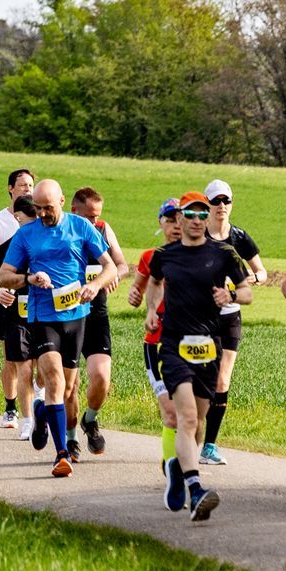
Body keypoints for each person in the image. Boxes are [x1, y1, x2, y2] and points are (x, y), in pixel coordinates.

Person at [0, 180, 118, 478]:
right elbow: (2, 277)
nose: (42, 214)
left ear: (62, 201)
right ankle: (61, 454)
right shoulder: (26, 234)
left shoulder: (81, 227)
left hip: (76, 316)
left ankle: (40, 412)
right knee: (52, 380)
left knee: (66, 389)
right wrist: (28, 278)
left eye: (48, 208)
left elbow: (111, 267)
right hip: (42, 317)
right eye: (37, 208)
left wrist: (94, 285)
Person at [142, 191, 253, 520]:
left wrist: (229, 292)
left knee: (198, 423)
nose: (196, 220)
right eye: (190, 214)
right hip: (174, 346)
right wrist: (151, 308)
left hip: (209, 345)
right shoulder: (166, 254)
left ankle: (178, 466)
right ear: (179, 218)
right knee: (187, 418)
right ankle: (196, 488)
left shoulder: (224, 253)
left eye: (202, 215)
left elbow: (247, 291)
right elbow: (155, 281)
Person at [199, 179, 264, 465]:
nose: (221, 206)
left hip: (231, 316)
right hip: (201, 318)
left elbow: (261, 272)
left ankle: (209, 446)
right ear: (207, 204)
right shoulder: (198, 235)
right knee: (201, 380)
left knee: (223, 378)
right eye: (216, 201)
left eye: (226, 201)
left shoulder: (239, 237)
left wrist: (247, 281)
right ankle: (189, 434)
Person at [127, 200, 185, 487]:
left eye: (181, 219)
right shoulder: (150, 256)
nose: (176, 225)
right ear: (160, 223)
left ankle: (178, 460)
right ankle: (173, 468)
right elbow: (137, 287)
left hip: (192, 345)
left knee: (192, 417)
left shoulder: (199, 257)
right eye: (170, 219)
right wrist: (135, 296)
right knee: (171, 412)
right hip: (157, 345)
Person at [0, 168, 38, 429]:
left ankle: (35, 406)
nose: (27, 188)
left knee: (33, 360)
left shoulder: (42, 229)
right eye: (22, 185)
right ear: (10, 188)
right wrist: (1, 287)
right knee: (12, 358)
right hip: (3, 303)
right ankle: (11, 407)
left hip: (33, 303)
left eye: (31, 185)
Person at [67, 186, 124, 457]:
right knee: (69, 384)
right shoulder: (61, 232)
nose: (93, 222)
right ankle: (69, 438)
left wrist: (113, 276)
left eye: (97, 217)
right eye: (89, 216)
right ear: (73, 210)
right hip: (65, 315)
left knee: (101, 377)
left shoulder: (102, 229)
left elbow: (121, 264)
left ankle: (89, 419)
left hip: (96, 315)